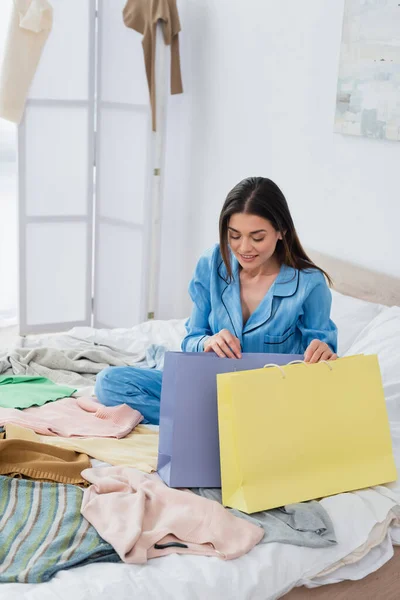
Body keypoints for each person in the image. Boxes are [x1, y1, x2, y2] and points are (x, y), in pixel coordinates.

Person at [95, 177, 338, 424]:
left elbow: (323, 366)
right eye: (234, 236)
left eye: (257, 237)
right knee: (109, 382)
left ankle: (199, 423)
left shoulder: (309, 284)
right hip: (207, 387)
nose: (244, 248)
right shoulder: (212, 262)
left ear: (281, 232)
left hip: (266, 399)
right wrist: (207, 342)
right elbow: (191, 339)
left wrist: (324, 354)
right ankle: (214, 423)